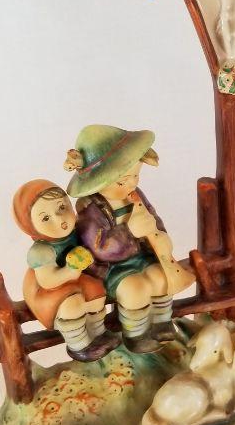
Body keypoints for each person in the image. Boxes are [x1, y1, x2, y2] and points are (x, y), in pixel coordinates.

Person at [64, 125, 194, 354]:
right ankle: (136, 333)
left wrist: (158, 233)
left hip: (141, 257)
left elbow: (152, 217)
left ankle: (161, 322)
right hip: (111, 267)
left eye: (135, 176)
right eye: (122, 181)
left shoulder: (135, 195)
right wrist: (129, 231)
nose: (132, 184)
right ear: (98, 182)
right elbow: (100, 247)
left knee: (160, 277)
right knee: (135, 289)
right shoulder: (90, 208)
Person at [13, 179, 119, 361]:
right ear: (30, 225)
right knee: (73, 305)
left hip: (77, 280)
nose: (60, 219)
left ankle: (98, 333)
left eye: (62, 207)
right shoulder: (42, 251)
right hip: (49, 290)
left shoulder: (77, 230)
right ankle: (79, 344)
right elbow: (47, 281)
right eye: (45, 218)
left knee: (96, 292)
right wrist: (70, 271)